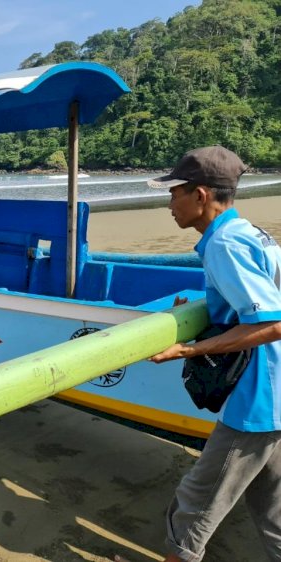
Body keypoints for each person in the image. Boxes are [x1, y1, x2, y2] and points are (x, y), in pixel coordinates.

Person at [136, 145, 281, 562]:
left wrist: (191, 347)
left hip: (258, 398)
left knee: (195, 503)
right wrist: (202, 316)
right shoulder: (252, 233)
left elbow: (271, 322)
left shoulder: (225, 246)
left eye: (173, 193)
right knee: (272, 509)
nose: (168, 204)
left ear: (200, 195)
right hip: (277, 392)